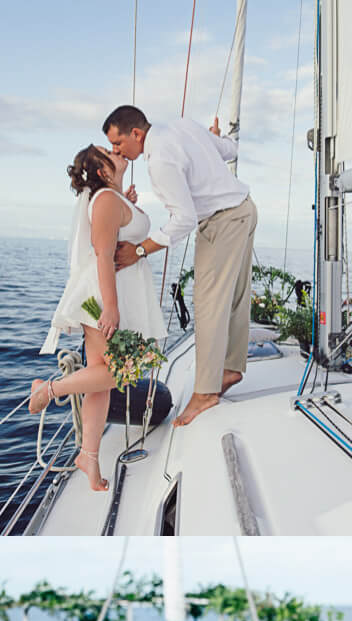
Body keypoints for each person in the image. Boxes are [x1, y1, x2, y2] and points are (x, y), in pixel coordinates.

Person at [103, 104, 258, 428]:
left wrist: (141, 250)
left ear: (136, 133)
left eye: (118, 144)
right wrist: (212, 139)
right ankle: (230, 369)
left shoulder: (159, 160)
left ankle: (205, 393)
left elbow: (184, 219)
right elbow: (230, 149)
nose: (116, 151)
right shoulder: (183, 126)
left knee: (208, 305)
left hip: (222, 222)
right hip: (245, 210)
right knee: (236, 298)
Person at [34, 145, 169, 492]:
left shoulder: (112, 197)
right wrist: (110, 307)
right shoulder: (107, 200)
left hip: (114, 294)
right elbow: (103, 254)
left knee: (104, 382)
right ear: (102, 171)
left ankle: (89, 456)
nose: (117, 150)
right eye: (108, 152)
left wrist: (125, 199)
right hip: (102, 298)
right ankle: (49, 389)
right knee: (114, 372)